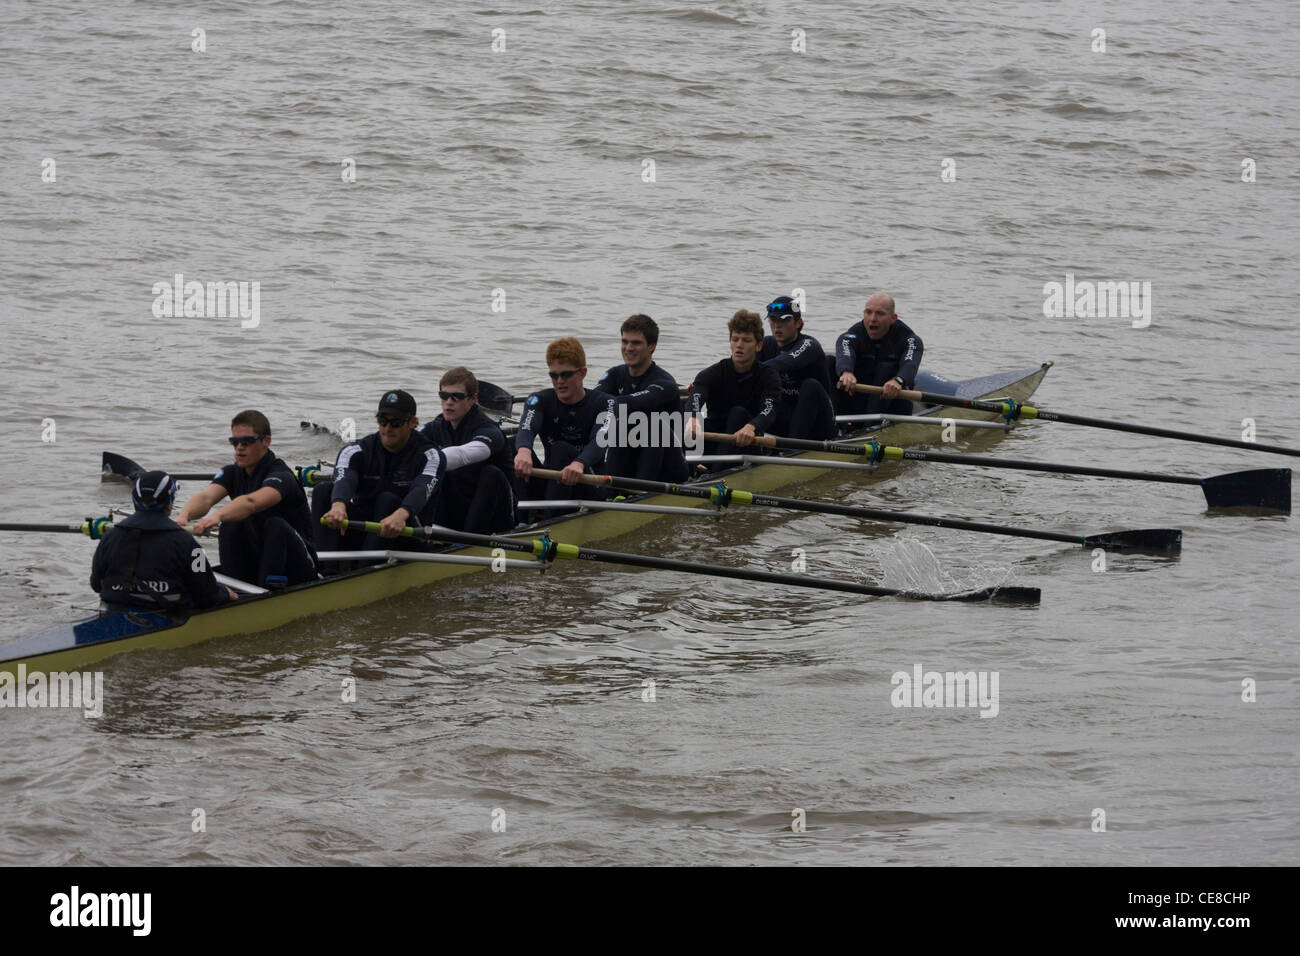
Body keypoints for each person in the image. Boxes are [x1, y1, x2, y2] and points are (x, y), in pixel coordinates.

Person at [175, 410, 317, 589]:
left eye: (246, 442)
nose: (239, 447)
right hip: (260, 557)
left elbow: (251, 503)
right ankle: (235, 587)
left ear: (266, 442)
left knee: (275, 525)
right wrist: (184, 516)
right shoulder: (232, 472)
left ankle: (268, 593)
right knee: (231, 524)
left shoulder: (281, 475)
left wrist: (217, 516)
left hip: (299, 565)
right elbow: (205, 498)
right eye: (234, 442)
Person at [313, 390, 446, 556]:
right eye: (382, 421)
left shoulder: (430, 455)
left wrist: (400, 515)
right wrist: (338, 505)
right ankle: (324, 567)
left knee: (387, 499)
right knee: (323, 490)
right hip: (368, 528)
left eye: (396, 422)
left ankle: (365, 570)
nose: (388, 428)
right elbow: (345, 479)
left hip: (407, 532)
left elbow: (422, 489)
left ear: (413, 422)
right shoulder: (357, 450)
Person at [91, 470, 237, 612]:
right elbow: (208, 596)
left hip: (115, 608)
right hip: (166, 613)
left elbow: (96, 584)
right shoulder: (188, 543)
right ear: (170, 503)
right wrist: (224, 593)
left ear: (134, 501)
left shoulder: (110, 536)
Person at [512, 336, 611, 518]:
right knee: (512, 446)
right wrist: (524, 450)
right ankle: (522, 520)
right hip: (553, 481)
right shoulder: (539, 400)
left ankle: (550, 522)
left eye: (566, 375)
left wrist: (579, 463)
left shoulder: (605, 403)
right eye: (553, 375)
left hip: (589, 482)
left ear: (582, 373)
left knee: (560, 450)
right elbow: (526, 427)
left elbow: (600, 441)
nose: (559, 381)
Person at [417, 367, 515, 534]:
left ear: (473, 399)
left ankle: (466, 541)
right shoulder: (435, 427)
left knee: (491, 474)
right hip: (459, 509)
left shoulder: (489, 430)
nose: (448, 402)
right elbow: (406, 444)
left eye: (457, 396)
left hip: (496, 516)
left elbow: (462, 455)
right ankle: (438, 535)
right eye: (444, 396)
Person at [594, 314, 689, 482]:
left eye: (636, 343)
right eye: (625, 342)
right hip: (631, 460)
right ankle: (612, 491)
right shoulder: (615, 374)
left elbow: (630, 403)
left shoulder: (665, 383)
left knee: (650, 422)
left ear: (652, 346)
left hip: (669, 468)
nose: (628, 348)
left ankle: (639, 493)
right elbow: (592, 400)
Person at [686, 309, 781, 459]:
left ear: (759, 345)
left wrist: (751, 427)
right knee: (678, 414)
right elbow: (697, 395)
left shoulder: (768, 376)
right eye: (735, 339)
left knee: (738, 413)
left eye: (746, 340)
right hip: (716, 437)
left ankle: (715, 476)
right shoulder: (712, 373)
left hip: (748, 441)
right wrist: (692, 418)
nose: (739, 345)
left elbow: (769, 410)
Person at [833, 292, 924, 420]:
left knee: (885, 369)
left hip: (892, 403)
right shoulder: (852, 335)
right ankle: (831, 422)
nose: (872, 319)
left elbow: (910, 364)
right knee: (829, 362)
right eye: (868, 312)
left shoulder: (910, 339)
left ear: (893, 318)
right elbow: (844, 353)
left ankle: (870, 429)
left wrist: (898, 380)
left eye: (880, 313)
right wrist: (846, 372)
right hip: (859, 398)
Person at [759, 295, 836, 439]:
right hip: (788, 419)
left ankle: (792, 448)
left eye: (785, 320)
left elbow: (785, 361)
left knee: (810, 385)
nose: (777, 326)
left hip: (820, 424)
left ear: (798, 323)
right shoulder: (766, 344)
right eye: (773, 320)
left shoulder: (809, 345)